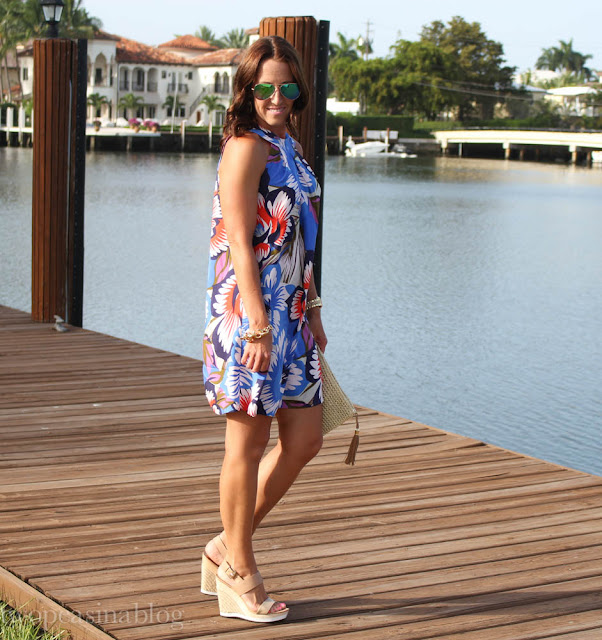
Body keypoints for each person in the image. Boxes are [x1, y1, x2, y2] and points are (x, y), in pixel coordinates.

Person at [201, 35, 326, 624]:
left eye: (288, 86)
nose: (278, 97)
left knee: (305, 440)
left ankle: (225, 546)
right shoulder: (246, 148)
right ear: (247, 90)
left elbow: (300, 238)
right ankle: (240, 573)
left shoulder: (289, 147)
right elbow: (238, 243)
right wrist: (256, 324)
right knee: (247, 447)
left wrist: (314, 308)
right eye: (266, 87)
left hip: (293, 314)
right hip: (251, 316)